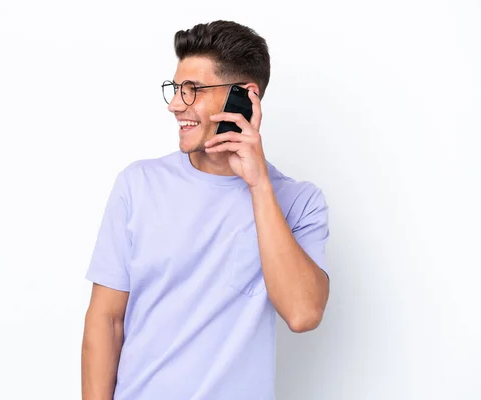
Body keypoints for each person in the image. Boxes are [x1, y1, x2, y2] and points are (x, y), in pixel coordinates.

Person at [81, 20, 330, 400]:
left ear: (244, 97)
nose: (174, 104)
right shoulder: (138, 184)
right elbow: (106, 320)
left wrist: (258, 185)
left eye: (191, 90)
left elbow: (303, 314)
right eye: (175, 88)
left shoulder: (299, 202)